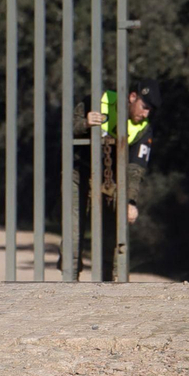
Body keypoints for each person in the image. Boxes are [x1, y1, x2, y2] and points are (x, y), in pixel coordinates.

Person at [73, 79, 160, 281]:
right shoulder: (99, 101)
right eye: (144, 107)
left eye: (150, 111)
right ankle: (71, 280)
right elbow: (67, 128)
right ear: (132, 97)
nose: (145, 114)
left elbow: (135, 169)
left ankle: (111, 288)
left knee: (112, 239)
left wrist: (130, 201)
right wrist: (84, 123)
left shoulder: (143, 129)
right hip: (79, 174)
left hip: (110, 183)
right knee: (74, 234)